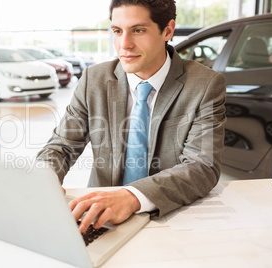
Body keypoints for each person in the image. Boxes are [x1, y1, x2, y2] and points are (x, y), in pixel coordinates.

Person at [37, 0, 226, 234]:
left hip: (169, 216)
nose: (124, 45)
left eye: (138, 30)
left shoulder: (204, 85)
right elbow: (62, 145)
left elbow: (202, 166)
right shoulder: (93, 79)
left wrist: (131, 197)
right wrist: (43, 178)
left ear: (167, 30)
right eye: (117, 31)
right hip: (99, 217)